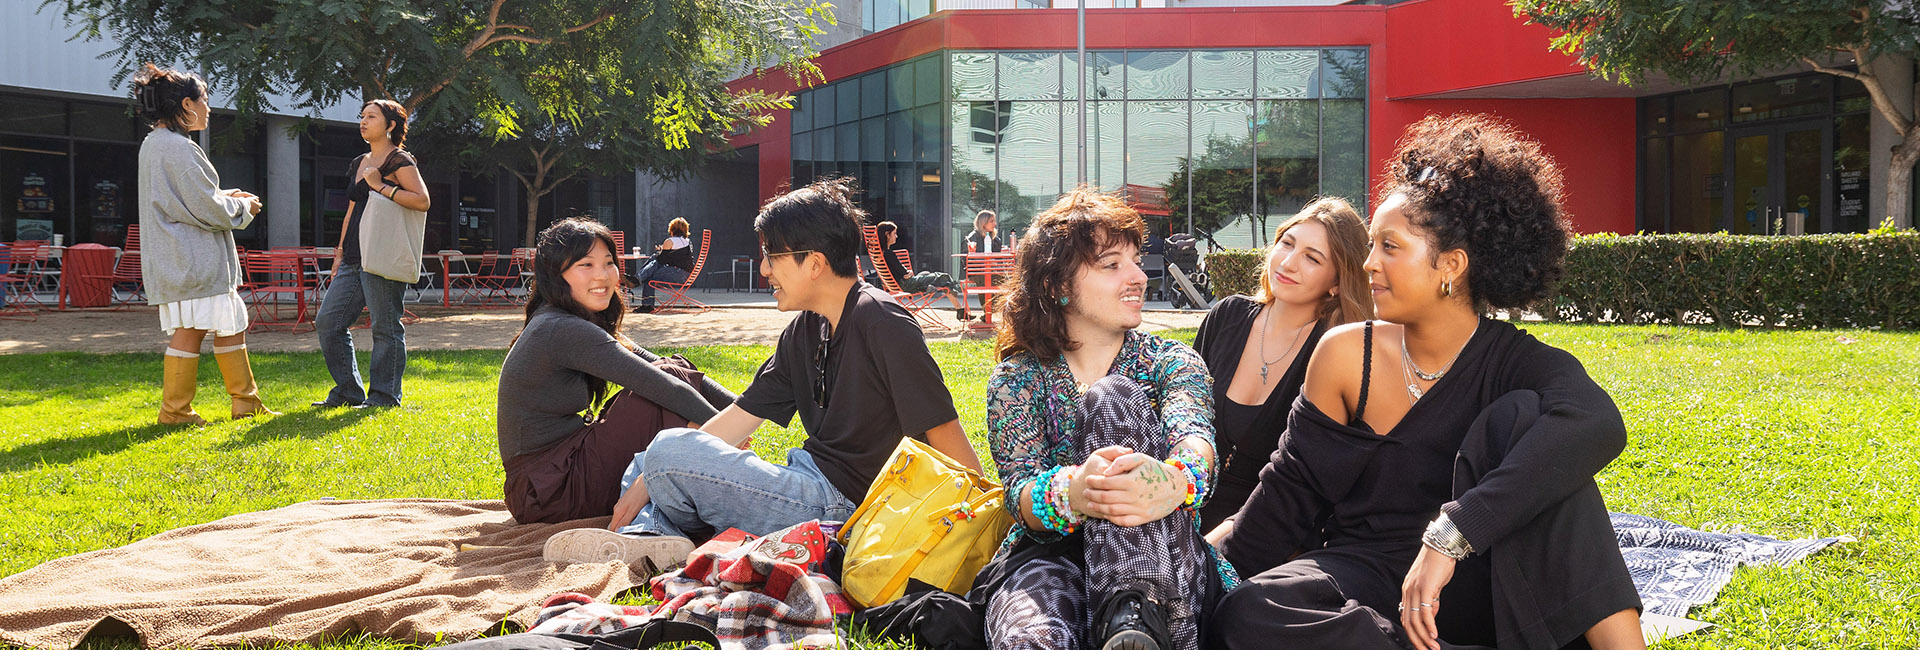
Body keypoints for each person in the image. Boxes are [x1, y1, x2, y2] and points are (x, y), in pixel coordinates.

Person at [1212, 114, 1644, 650]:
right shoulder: (1347, 355)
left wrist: (1450, 536)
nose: (1368, 263)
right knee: (1252, 610)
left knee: (1529, 423)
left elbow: (1598, 423)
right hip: (1360, 577)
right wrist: (1187, 568)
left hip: (1476, 580)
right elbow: (1285, 499)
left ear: (1452, 266)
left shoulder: (1512, 361)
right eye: (1372, 245)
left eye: (1389, 247)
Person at [543, 178, 985, 567]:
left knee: (665, 452)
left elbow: (943, 430)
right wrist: (656, 469)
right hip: (805, 479)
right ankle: (654, 542)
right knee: (651, 457)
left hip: (848, 506)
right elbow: (740, 417)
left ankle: (644, 536)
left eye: (773, 257)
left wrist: (987, 520)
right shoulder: (805, 329)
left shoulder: (883, 323)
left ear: (814, 263)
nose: (764, 269)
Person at [982, 188, 1231, 650]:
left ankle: (1131, 611)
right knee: (1030, 634)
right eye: (1112, 264)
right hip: (1053, 558)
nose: (1138, 275)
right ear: (1057, 286)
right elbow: (1018, 495)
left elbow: (1193, 434)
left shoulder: (1171, 362)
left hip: (1164, 556)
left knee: (1112, 396)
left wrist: (1174, 479)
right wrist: (1077, 492)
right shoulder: (1017, 381)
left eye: (1136, 260)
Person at [498, 218, 735, 541]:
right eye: (586, 264)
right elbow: (665, 385)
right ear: (556, 274)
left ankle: (691, 496)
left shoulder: (571, 320)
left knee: (673, 366)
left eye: (609, 263)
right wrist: (729, 431)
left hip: (551, 478)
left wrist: (742, 410)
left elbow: (662, 365)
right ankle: (711, 496)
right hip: (548, 490)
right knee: (665, 391)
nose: (602, 275)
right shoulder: (562, 328)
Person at [1192, 197, 1372, 539]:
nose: (1288, 263)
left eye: (1312, 258)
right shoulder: (1227, 316)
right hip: (1182, 507)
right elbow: (1181, 415)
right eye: (1287, 243)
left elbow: (1314, 483)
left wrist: (1226, 534)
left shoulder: (1334, 351)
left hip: (1265, 531)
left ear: (1337, 282)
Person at [132, 63, 275, 425]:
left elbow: (185, 199)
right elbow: (207, 208)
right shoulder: (179, 147)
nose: (209, 107)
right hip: (193, 258)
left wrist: (224, 195)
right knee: (211, 326)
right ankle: (194, 408)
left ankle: (219, 404)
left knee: (206, 326)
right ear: (186, 104)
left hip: (177, 256)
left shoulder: (155, 143)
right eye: (205, 99)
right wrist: (244, 206)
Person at [313, 99, 429, 409]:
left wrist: (380, 186)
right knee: (328, 322)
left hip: (383, 253)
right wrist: (339, 252)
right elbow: (351, 210)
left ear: (390, 125)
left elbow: (422, 201)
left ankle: (384, 396)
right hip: (354, 256)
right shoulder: (358, 162)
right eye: (362, 116)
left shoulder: (400, 160)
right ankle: (349, 391)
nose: (363, 122)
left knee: (385, 325)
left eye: (371, 117)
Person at [630, 217, 695, 313]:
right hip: (686, 274)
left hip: (679, 273)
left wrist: (661, 251)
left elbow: (661, 260)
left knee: (650, 274)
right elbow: (673, 258)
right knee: (653, 261)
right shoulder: (687, 241)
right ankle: (637, 279)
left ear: (672, 229)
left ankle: (637, 281)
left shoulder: (670, 241)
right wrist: (662, 251)